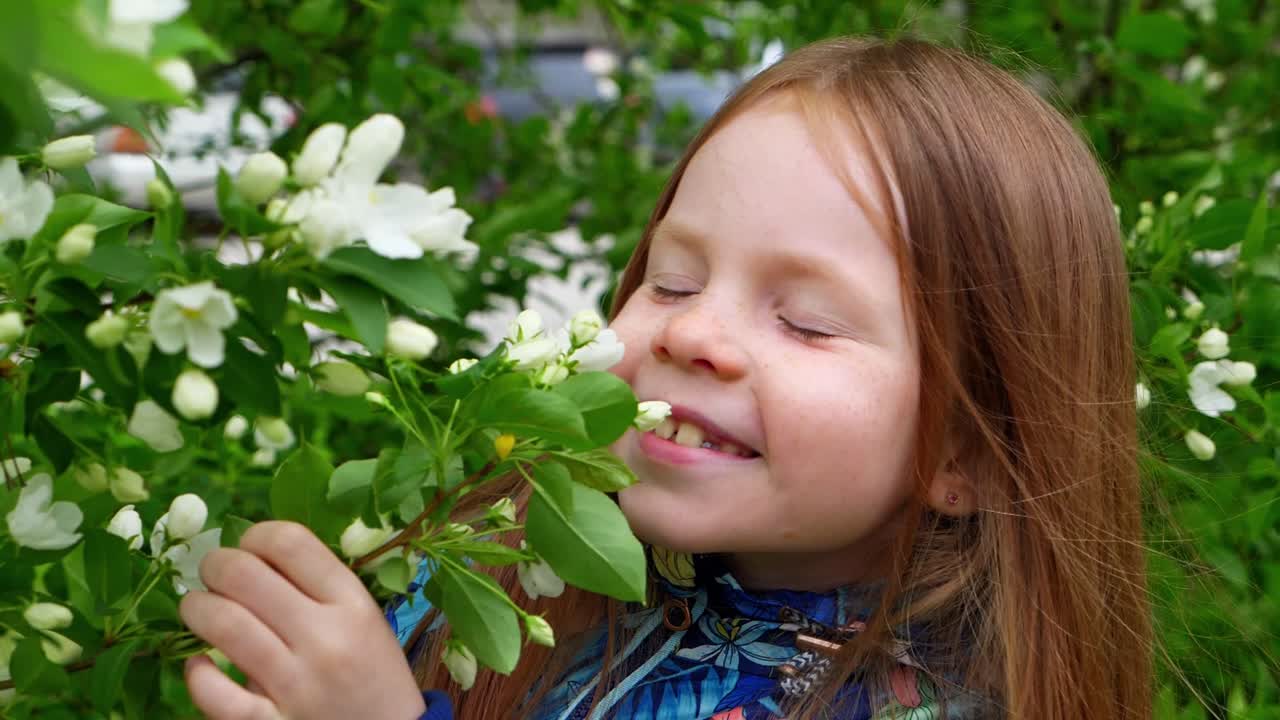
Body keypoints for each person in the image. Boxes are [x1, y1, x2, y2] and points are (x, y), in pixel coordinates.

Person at [179, 36, 1152, 720]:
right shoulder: (509, 560)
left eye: (805, 322)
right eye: (669, 277)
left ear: (965, 449)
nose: (692, 330)